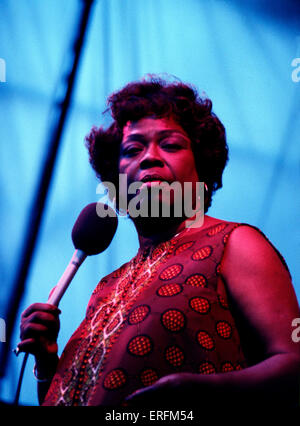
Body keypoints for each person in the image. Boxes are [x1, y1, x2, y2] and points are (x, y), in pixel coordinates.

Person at [18, 76, 300, 408]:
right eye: (133, 149)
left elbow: (294, 367)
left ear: (202, 170)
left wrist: (201, 393)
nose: (150, 157)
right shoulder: (105, 287)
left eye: (171, 144)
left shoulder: (235, 243)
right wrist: (48, 361)